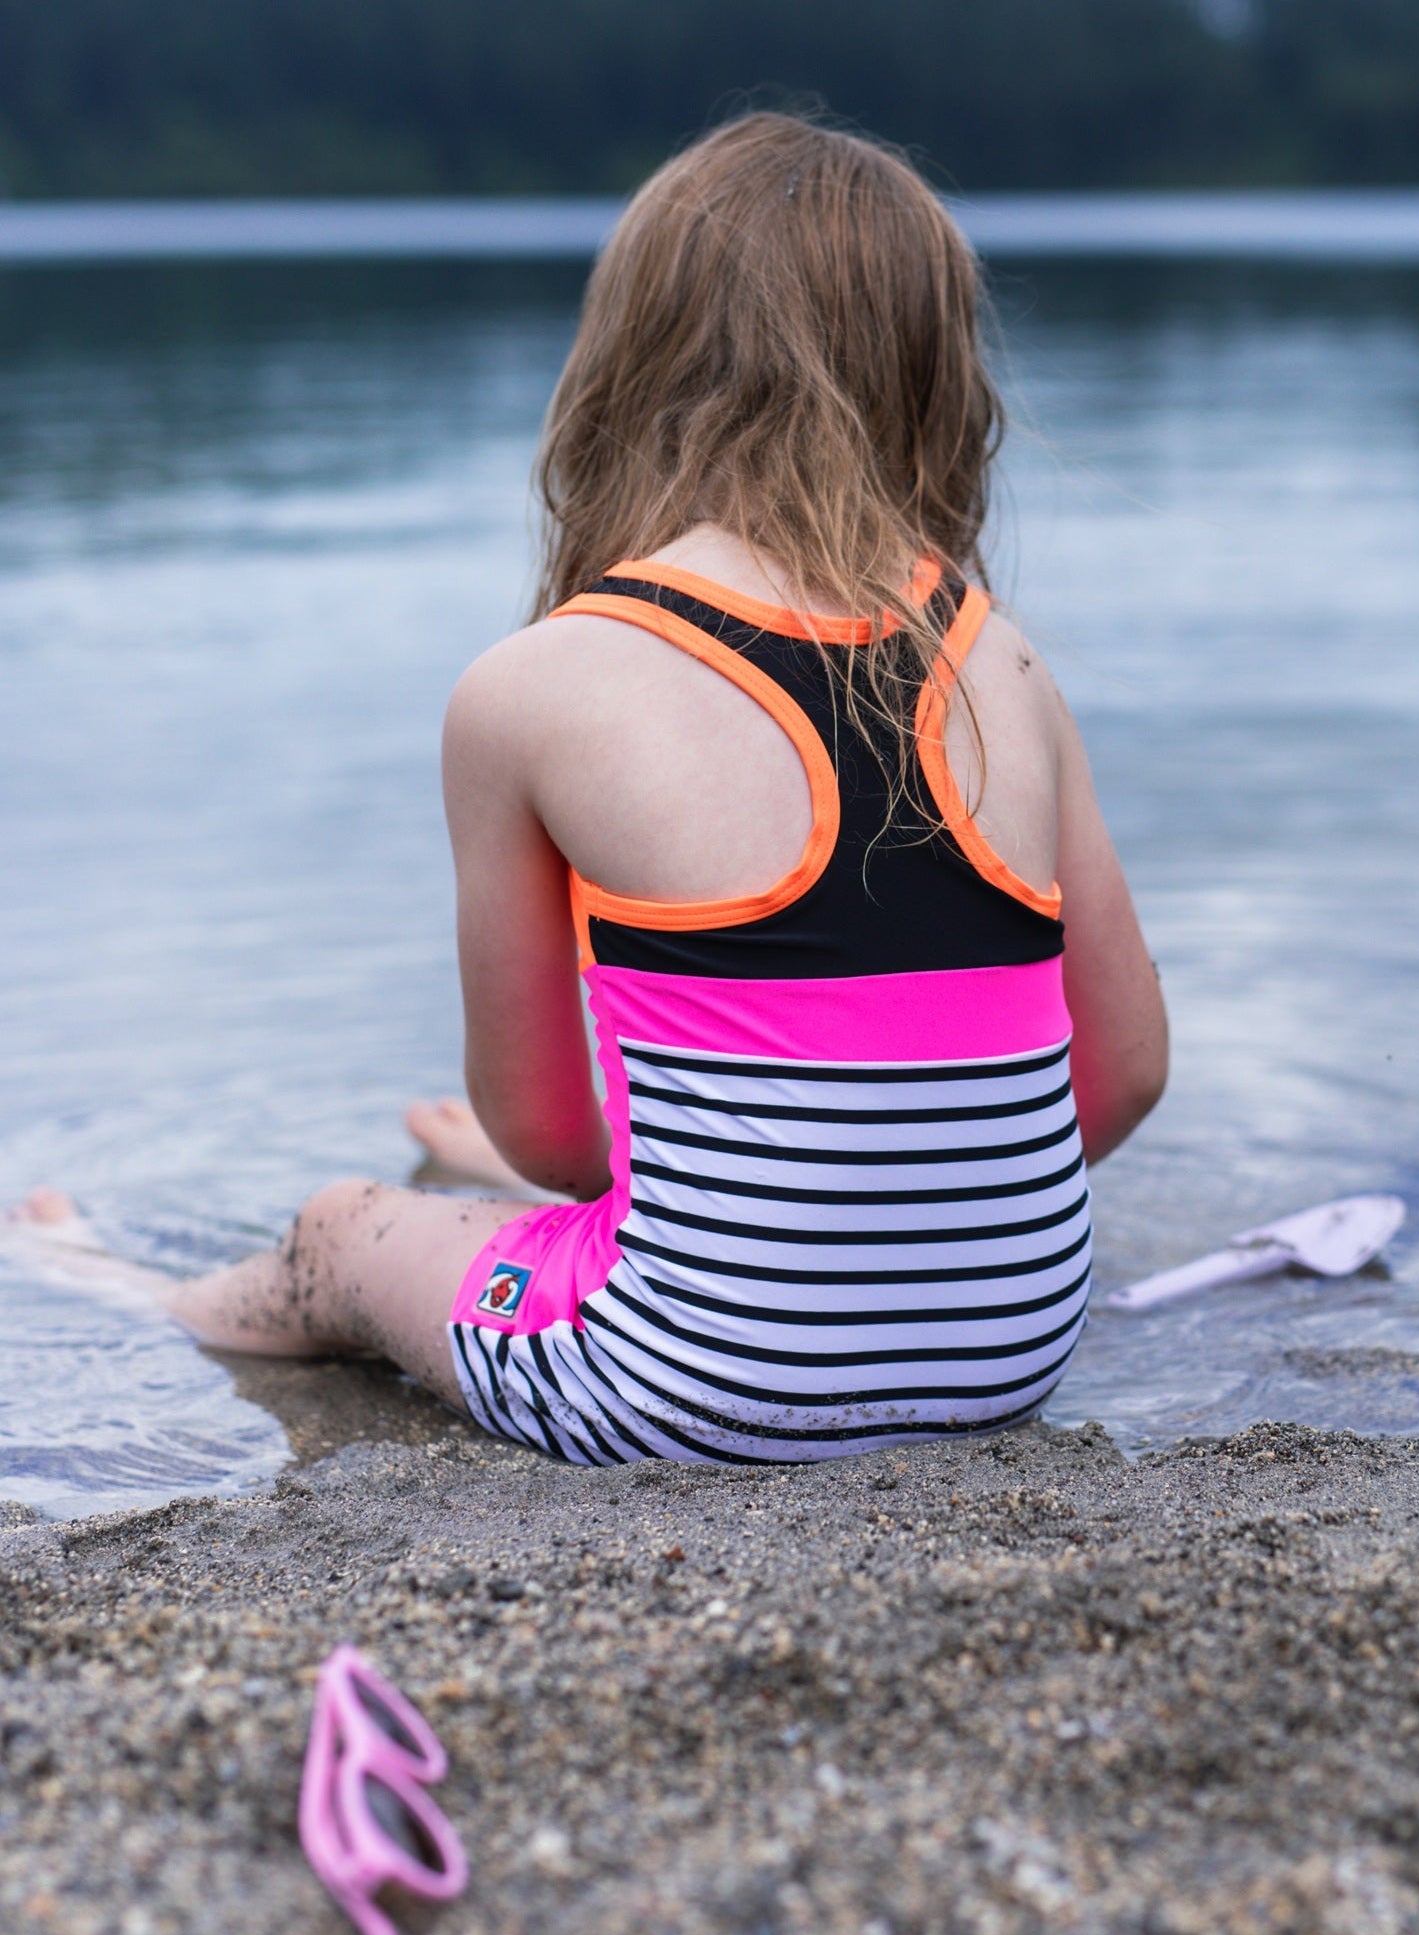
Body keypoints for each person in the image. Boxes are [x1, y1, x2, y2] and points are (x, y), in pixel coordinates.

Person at [16, 113, 1167, 1467]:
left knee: (343, 1230)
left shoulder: (537, 685)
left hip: (687, 1386)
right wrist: (898, 1225)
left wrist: (592, 1180)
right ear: (936, 382)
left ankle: (127, 1295)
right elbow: (1125, 1073)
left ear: (631, 362)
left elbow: (547, 1134)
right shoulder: (1002, 661)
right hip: (1013, 1356)